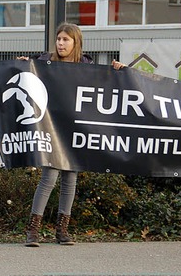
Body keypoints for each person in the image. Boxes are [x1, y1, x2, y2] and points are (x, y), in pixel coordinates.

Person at [18, 22, 125, 247]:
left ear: (76, 43)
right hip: (53, 128)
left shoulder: (86, 64)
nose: (61, 43)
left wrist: (116, 70)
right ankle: (33, 231)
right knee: (50, 176)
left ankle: (62, 230)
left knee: (71, 178)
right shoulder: (45, 61)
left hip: (77, 129)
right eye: (59, 39)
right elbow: (28, 75)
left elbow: (103, 83)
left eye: (66, 39)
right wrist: (18, 65)